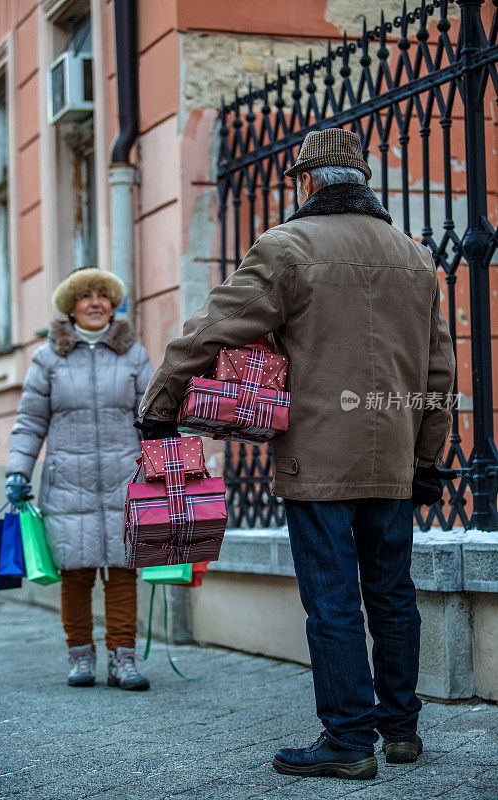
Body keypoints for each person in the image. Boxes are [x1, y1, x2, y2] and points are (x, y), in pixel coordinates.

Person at [137, 129, 455, 778]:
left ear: (307, 182)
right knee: (392, 596)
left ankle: (345, 741)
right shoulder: (415, 258)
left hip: (316, 461)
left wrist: (160, 406)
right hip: (391, 456)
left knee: (333, 600)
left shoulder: (286, 248)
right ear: (362, 182)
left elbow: (209, 331)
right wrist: (426, 461)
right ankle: (399, 731)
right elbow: (437, 374)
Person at [5, 267, 154, 691]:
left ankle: (123, 660)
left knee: (124, 571)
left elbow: (152, 417)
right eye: (85, 296)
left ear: (112, 304)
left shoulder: (134, 355)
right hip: (68, 482)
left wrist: (169, 467)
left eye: (102, 295)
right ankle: (80, 657)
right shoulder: (48, 357)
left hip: (125, 480)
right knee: (76, 571)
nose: (95, 302)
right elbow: (30, 421)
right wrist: (18, 469)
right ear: (70, 306)